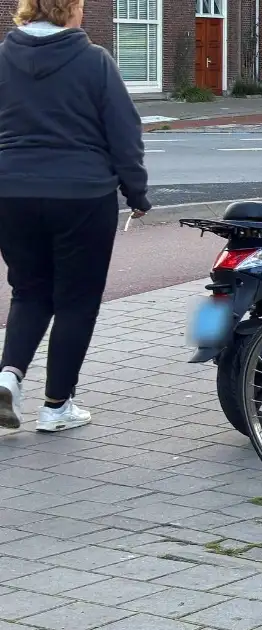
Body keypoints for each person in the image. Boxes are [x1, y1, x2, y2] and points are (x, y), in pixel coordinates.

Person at [0, 0, 150, 432]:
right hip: (82, 195)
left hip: (12, 192)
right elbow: (124, 131)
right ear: (69, 10)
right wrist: (135, 191)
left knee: (28, 291)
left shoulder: (4, 56)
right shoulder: (94, 61)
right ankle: (56, 406)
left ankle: (9, 376)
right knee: (76, 301)